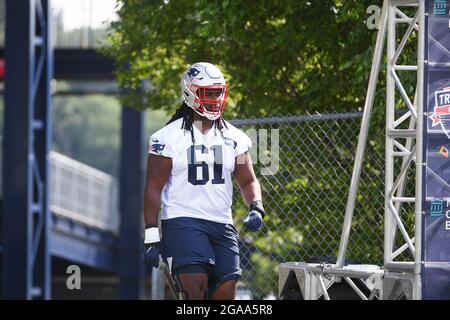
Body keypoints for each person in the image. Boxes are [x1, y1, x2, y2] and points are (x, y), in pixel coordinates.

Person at [143, 62, 266, 300]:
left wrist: (256, 206)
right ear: (190, 92)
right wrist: (151, 235)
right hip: (182, 221)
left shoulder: (234, 137)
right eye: (208, 92)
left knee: (226, 293)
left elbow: (248, 180)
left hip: (222, 223)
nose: (214, 98)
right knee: (195, 287)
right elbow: (153, 186)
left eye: (217, 92)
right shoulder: (167, 137)